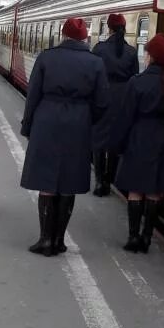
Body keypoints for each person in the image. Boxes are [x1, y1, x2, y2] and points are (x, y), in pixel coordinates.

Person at [20, 17, 109, 256]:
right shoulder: (96, 63)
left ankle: (45, 240)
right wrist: (88, 121)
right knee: (68, 181)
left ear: (63, 34)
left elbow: (33, 96)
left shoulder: (47, 57)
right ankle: (59, 240)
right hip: (78, 123)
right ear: (83, 37)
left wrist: (28, 126)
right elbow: (102, 103)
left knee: (47, 180)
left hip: (46, 119)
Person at [110, 33, 164, 253]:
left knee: (135, 190)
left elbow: (126, 116)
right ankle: (147, 238)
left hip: (139, 137)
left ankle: (133, 237)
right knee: (153, 192)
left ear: (150, 56)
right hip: (163, 141)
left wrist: (118, 144)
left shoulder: (137, 82)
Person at [92, 13, 139, 196]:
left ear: (109, 28)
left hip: (102, 97)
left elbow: (93, 75)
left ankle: (99, 182)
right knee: (114, 140)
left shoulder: (99, 49)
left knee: (98, 141)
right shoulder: (132, 52)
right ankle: (109, 178)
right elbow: (134, 77)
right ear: (124, 29)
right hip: (122, 100)